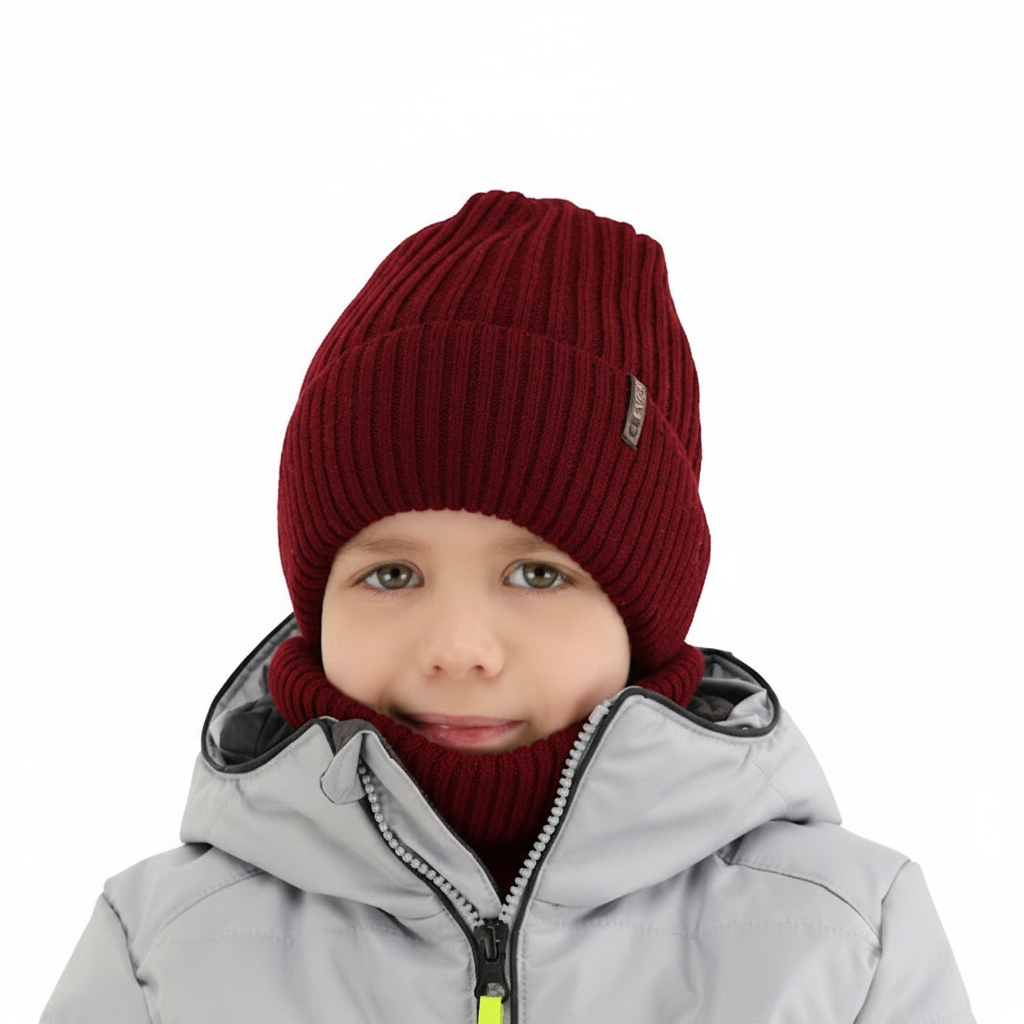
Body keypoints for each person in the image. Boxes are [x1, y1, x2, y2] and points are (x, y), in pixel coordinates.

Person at [41, 191, 975, 1023]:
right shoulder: (162, 950)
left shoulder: (844, 936)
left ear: (643, 613)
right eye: (392, 576)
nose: (458, 647)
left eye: (536, 575)